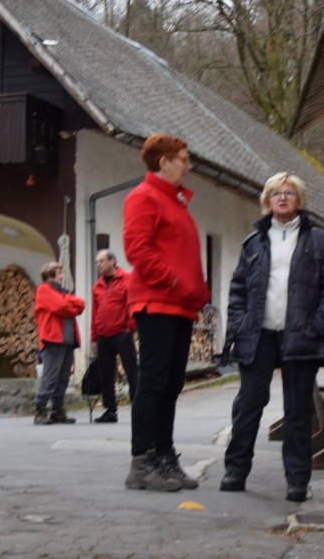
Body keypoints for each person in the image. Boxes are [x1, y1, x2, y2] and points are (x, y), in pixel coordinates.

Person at [219, 172, 324, 503]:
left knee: (298, 410)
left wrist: (318, 325)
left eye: (289, 193)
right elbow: (238, 288)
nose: (283, 198)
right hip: (259, 335)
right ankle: (235, 469)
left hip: (301, 335)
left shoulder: (319, 239)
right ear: (267, 200)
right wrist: (239, 321)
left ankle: (298, 479)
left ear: (299, 200)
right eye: (276, 193)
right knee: (248, 404)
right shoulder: (254, 242)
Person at [123, 132, 210, 492]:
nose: (188, 165)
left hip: (179, 306)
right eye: (183, 159)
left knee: (172, 384)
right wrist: (176, 283)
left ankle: (164, 455)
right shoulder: (143, 197)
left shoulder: (176, 201)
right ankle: (142, 461)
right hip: (157, 302)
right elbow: (137, 251)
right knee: (153, 382)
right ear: (164, 162)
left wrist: (195, 293)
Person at [33, 261, 86, 425]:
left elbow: (81, 304)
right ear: (52, 275)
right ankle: (40, 410)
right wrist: (72, 304)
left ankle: (57, 410)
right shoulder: (43, 290)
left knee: (63, 377)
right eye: (60, 273)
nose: (63, 276)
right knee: (50, 376)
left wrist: (71, 303)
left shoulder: (61, 292)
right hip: (53, 339)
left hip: (67, 340)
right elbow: (62, 306)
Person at [90, 249, 137, 423]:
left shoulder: (127, 279)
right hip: (103, 335)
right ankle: (110, 410)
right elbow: (95, 312)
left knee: (131, 371)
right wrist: (94, 337)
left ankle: (137, 408)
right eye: (96, 262)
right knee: (105, 374)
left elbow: (132, 303)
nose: (98, 265)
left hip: (122, 333)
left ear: (112, 262)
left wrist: (130, 328)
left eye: (101, 261)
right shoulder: (97, 286)